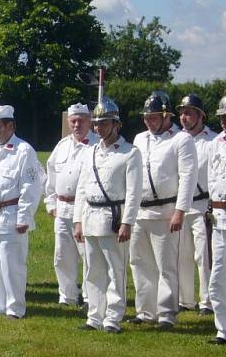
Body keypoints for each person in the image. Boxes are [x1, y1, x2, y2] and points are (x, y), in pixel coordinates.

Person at [73, 97, 142, 333]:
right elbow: (82, 188)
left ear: (116, 124)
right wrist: (78, 220)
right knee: (92, 270)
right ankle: (94, 315)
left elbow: (134, 192)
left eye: (103, 123)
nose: (98, 128)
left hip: (113, 216)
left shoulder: (130, 152)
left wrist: (127, 222)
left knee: (115, 270)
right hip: (91, 215)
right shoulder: (91, 151)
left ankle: (113, 317)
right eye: (96, 124)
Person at [129, 91, 197, 329]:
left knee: (166, 265)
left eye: (154, 116)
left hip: (166, 210)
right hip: (140, 211)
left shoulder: (181, 139)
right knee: (139, 262)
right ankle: (146, 311)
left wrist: (180, 210)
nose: (149, 121)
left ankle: (167, 313)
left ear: (167, 115)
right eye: (147, 117)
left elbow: (188, 176)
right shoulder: (139, 139)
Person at [0, 105, 44, 319]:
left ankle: (14, 308)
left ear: (10, 126)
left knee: (11, 266)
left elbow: (31, 188)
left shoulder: (23, 151)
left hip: (10, 214)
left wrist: (24, 217)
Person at [44, 103, 98, 306]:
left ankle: (89, 297)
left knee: (87, 255)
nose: (77, 124)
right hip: (63, 208)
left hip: (84, 208)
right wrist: (51, 202)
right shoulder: (62, 145)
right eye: (73, 120)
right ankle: (67, 295)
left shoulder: (96, 146)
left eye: (81, 120)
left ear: (89, 121)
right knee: (62, 255)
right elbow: (51, 175)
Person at [177, 94, 216, 315]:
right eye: (182, 112)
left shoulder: (212, 141)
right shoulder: (176, 139)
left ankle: (207, 301)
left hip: (203, 205)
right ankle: (185, 299)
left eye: (189, 112)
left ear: (201, 116)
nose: (184, 117)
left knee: (204, 256)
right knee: (182, 255)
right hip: (180, 206)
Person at [206, 95, 226, 345]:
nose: (224, 121)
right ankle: (222, 328)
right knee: (217, 276)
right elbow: (212, 177)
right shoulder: (216, 143)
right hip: (219, 218)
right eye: (222, 117)